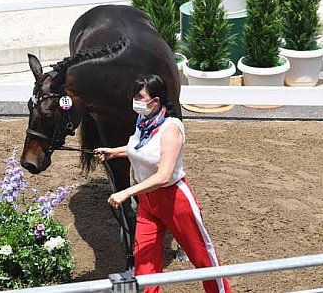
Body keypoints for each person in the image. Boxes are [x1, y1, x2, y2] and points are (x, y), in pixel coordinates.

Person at [95, 74, 231, 293]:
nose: (135, 101)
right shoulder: (143, 122)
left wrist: (127, 192)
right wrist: (115, 152)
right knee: (144, 263)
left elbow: (163, 176)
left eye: (140, 96)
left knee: (202, 258)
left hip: (175, 199)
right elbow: (140, 149)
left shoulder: (171, 129)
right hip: (148, 202)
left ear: (155, 101)